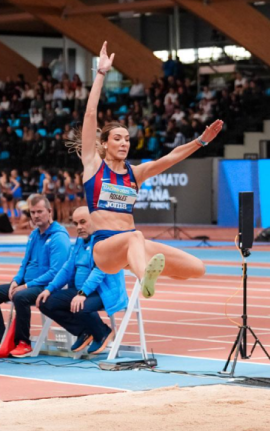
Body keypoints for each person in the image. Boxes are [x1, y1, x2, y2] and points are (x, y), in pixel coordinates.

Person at [70, 41, 220, 299]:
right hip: (105, 248)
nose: (124, 143)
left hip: (132, 247)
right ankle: (144, 278)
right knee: (135, 236)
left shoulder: (135, 173)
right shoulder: (93, 166)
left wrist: (201, 141)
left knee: (198, 268)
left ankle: (147, 270)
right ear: (104, 143)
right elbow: (90, 114)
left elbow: (171, 158)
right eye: (117, 138)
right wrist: (101, 73)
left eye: (127, 139)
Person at [0, 194, 71, 358]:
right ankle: (1, 339)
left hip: (47, 287)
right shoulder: (34, 235)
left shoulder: (59, 237)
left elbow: (56, 272)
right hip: (26, 284)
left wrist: (27, 286)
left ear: (49, 211)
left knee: (20, 296)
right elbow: (25, 263)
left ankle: (24, 342)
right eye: (32, 212)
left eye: (39, 211)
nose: (35, 216)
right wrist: (16, 281)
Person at [37, 207, 128, 356]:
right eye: (76, 223)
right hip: (81, 291)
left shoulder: (106, 240)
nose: (79, 227)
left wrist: (82, 293)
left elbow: (100, 270)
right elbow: (68, 267)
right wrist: (49, 288)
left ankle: (102, 333)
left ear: (95, 221)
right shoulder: (80, 241)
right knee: (45, 302)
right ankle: (84, 332)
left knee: (80, 305)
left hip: (103, 292)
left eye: (83, 222)